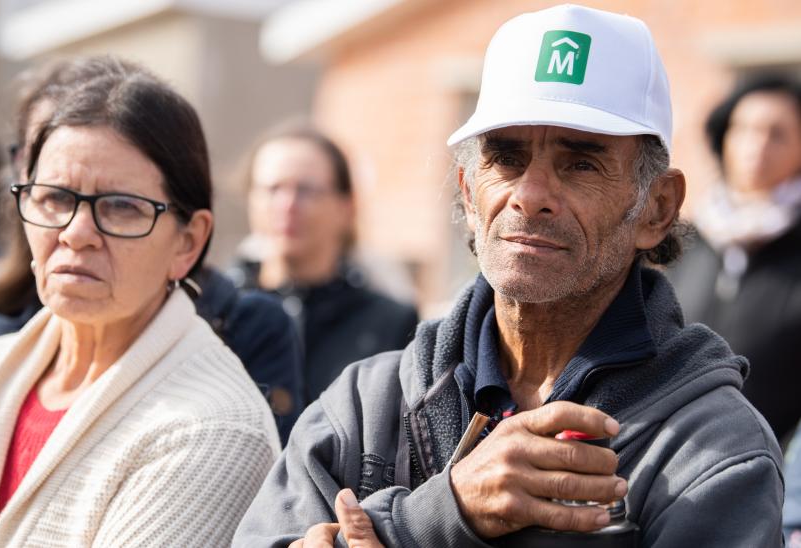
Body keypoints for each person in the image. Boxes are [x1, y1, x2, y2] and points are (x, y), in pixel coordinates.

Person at [233, 5, 783, 547]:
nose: (530, 196)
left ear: (656, 209)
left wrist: (399, 532)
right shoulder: (364, 405)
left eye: (581, 164)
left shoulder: (710, 449)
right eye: (507, 159)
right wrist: (445, 511)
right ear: (470, 194)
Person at [0, 60, 281, 545]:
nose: (76, 234)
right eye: (54, 197)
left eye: (121, 207)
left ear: (188, 242)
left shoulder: (213, 428)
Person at [230, 124, 418, 403]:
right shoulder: (221, 311)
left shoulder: (389, 323)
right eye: (272, 189)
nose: (287, 205)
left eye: (305, 190)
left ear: (346, 207)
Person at [667, 75, 801, 445]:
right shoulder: (684, 241)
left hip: (776, 470)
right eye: (743, 130)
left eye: (777, 134)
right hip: (679, 456)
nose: (756, 146)